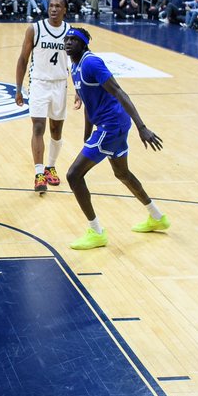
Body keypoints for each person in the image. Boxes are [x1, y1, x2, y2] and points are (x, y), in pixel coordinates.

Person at [63, 27, 168, 250]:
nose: (69, 42)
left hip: (111, 126)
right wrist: (86, 133)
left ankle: (96, 232)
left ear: (83, 44)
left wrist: (142, 127)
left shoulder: (92, 63)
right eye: (67, 39)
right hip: (112, 125)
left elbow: (120, 92)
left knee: (73, 175)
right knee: (122, 173)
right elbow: (88, 103)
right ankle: (157, 217)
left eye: (74, 40)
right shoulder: (74, 67)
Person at [15, 0, 73, 194]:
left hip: (60, 85)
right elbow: (23, 59)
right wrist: (18, 88)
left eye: (58, 6)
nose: (54, 9)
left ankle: (51, 166)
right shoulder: (35, 29)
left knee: (56, 130)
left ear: (65, 9)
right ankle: (39, 173)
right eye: (51, 6)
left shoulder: (70, 32)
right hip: (39, 83)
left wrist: (80, 91)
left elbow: (75, 63)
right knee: (38, 127)